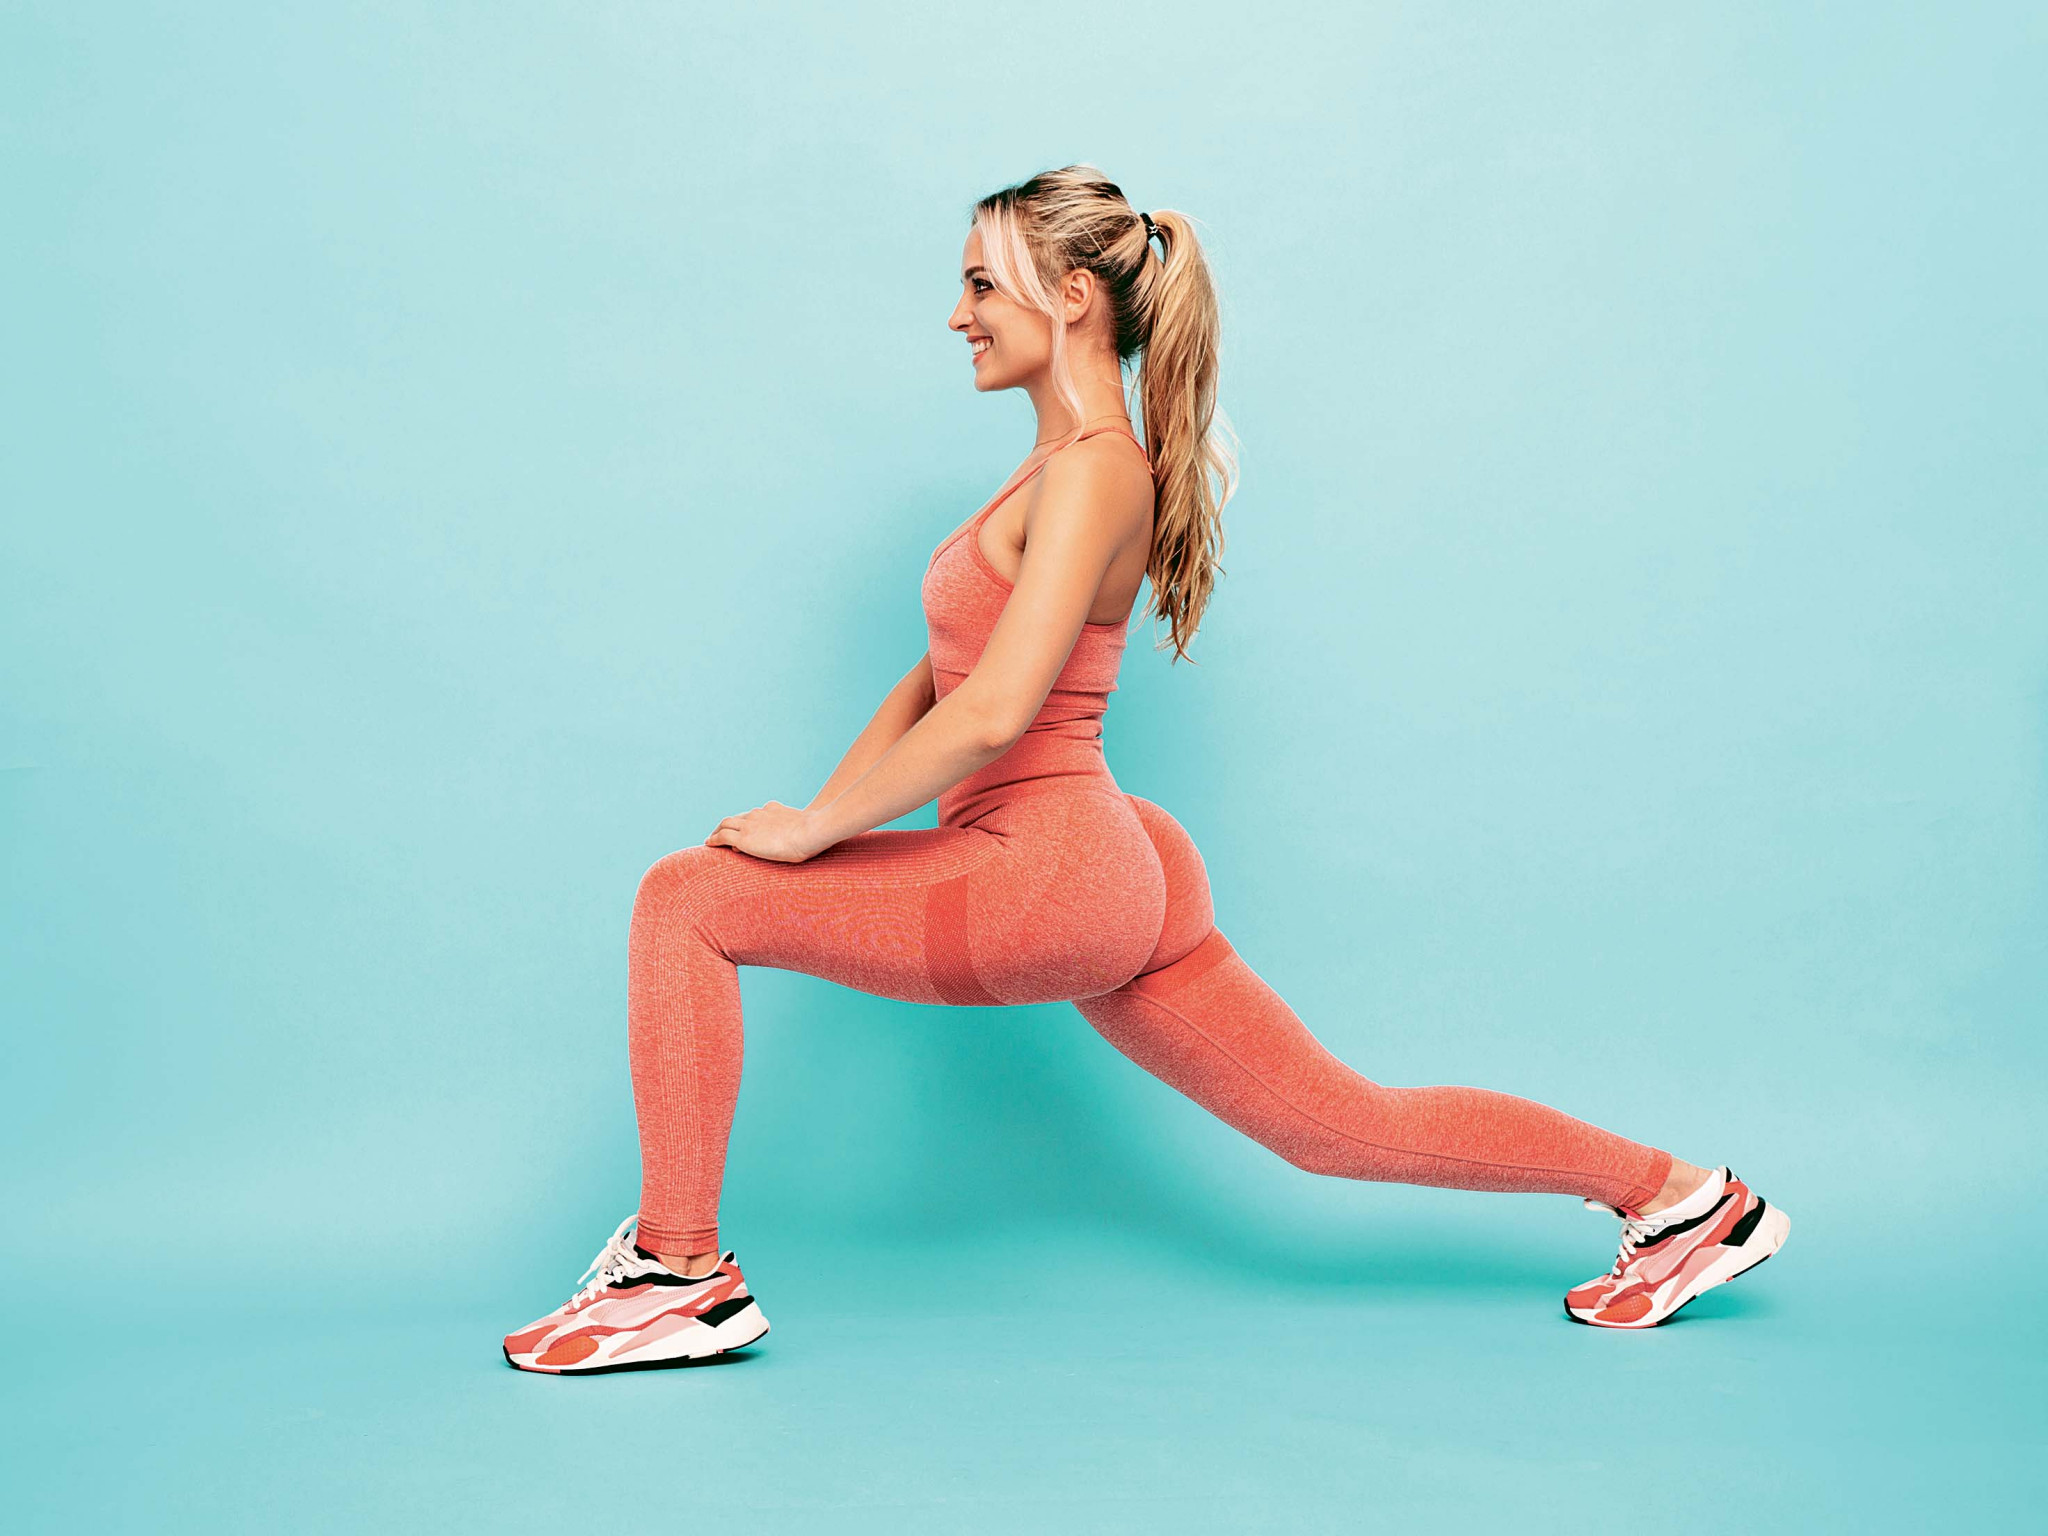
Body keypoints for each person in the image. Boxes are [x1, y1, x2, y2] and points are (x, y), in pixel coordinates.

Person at [502, 164, 1790, 1375]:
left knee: (683, 899)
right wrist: (818, 820)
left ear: (1071, 297)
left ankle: (676, 1272)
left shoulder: (1097, 473)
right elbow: (938, 680)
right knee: (1334, 1123)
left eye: (981, 285)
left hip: (1050, 868)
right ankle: (1685, 1203)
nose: (956, 315)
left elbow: (995, 710)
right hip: (1106, 858)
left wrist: (815, 828)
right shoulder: (1061, 468)